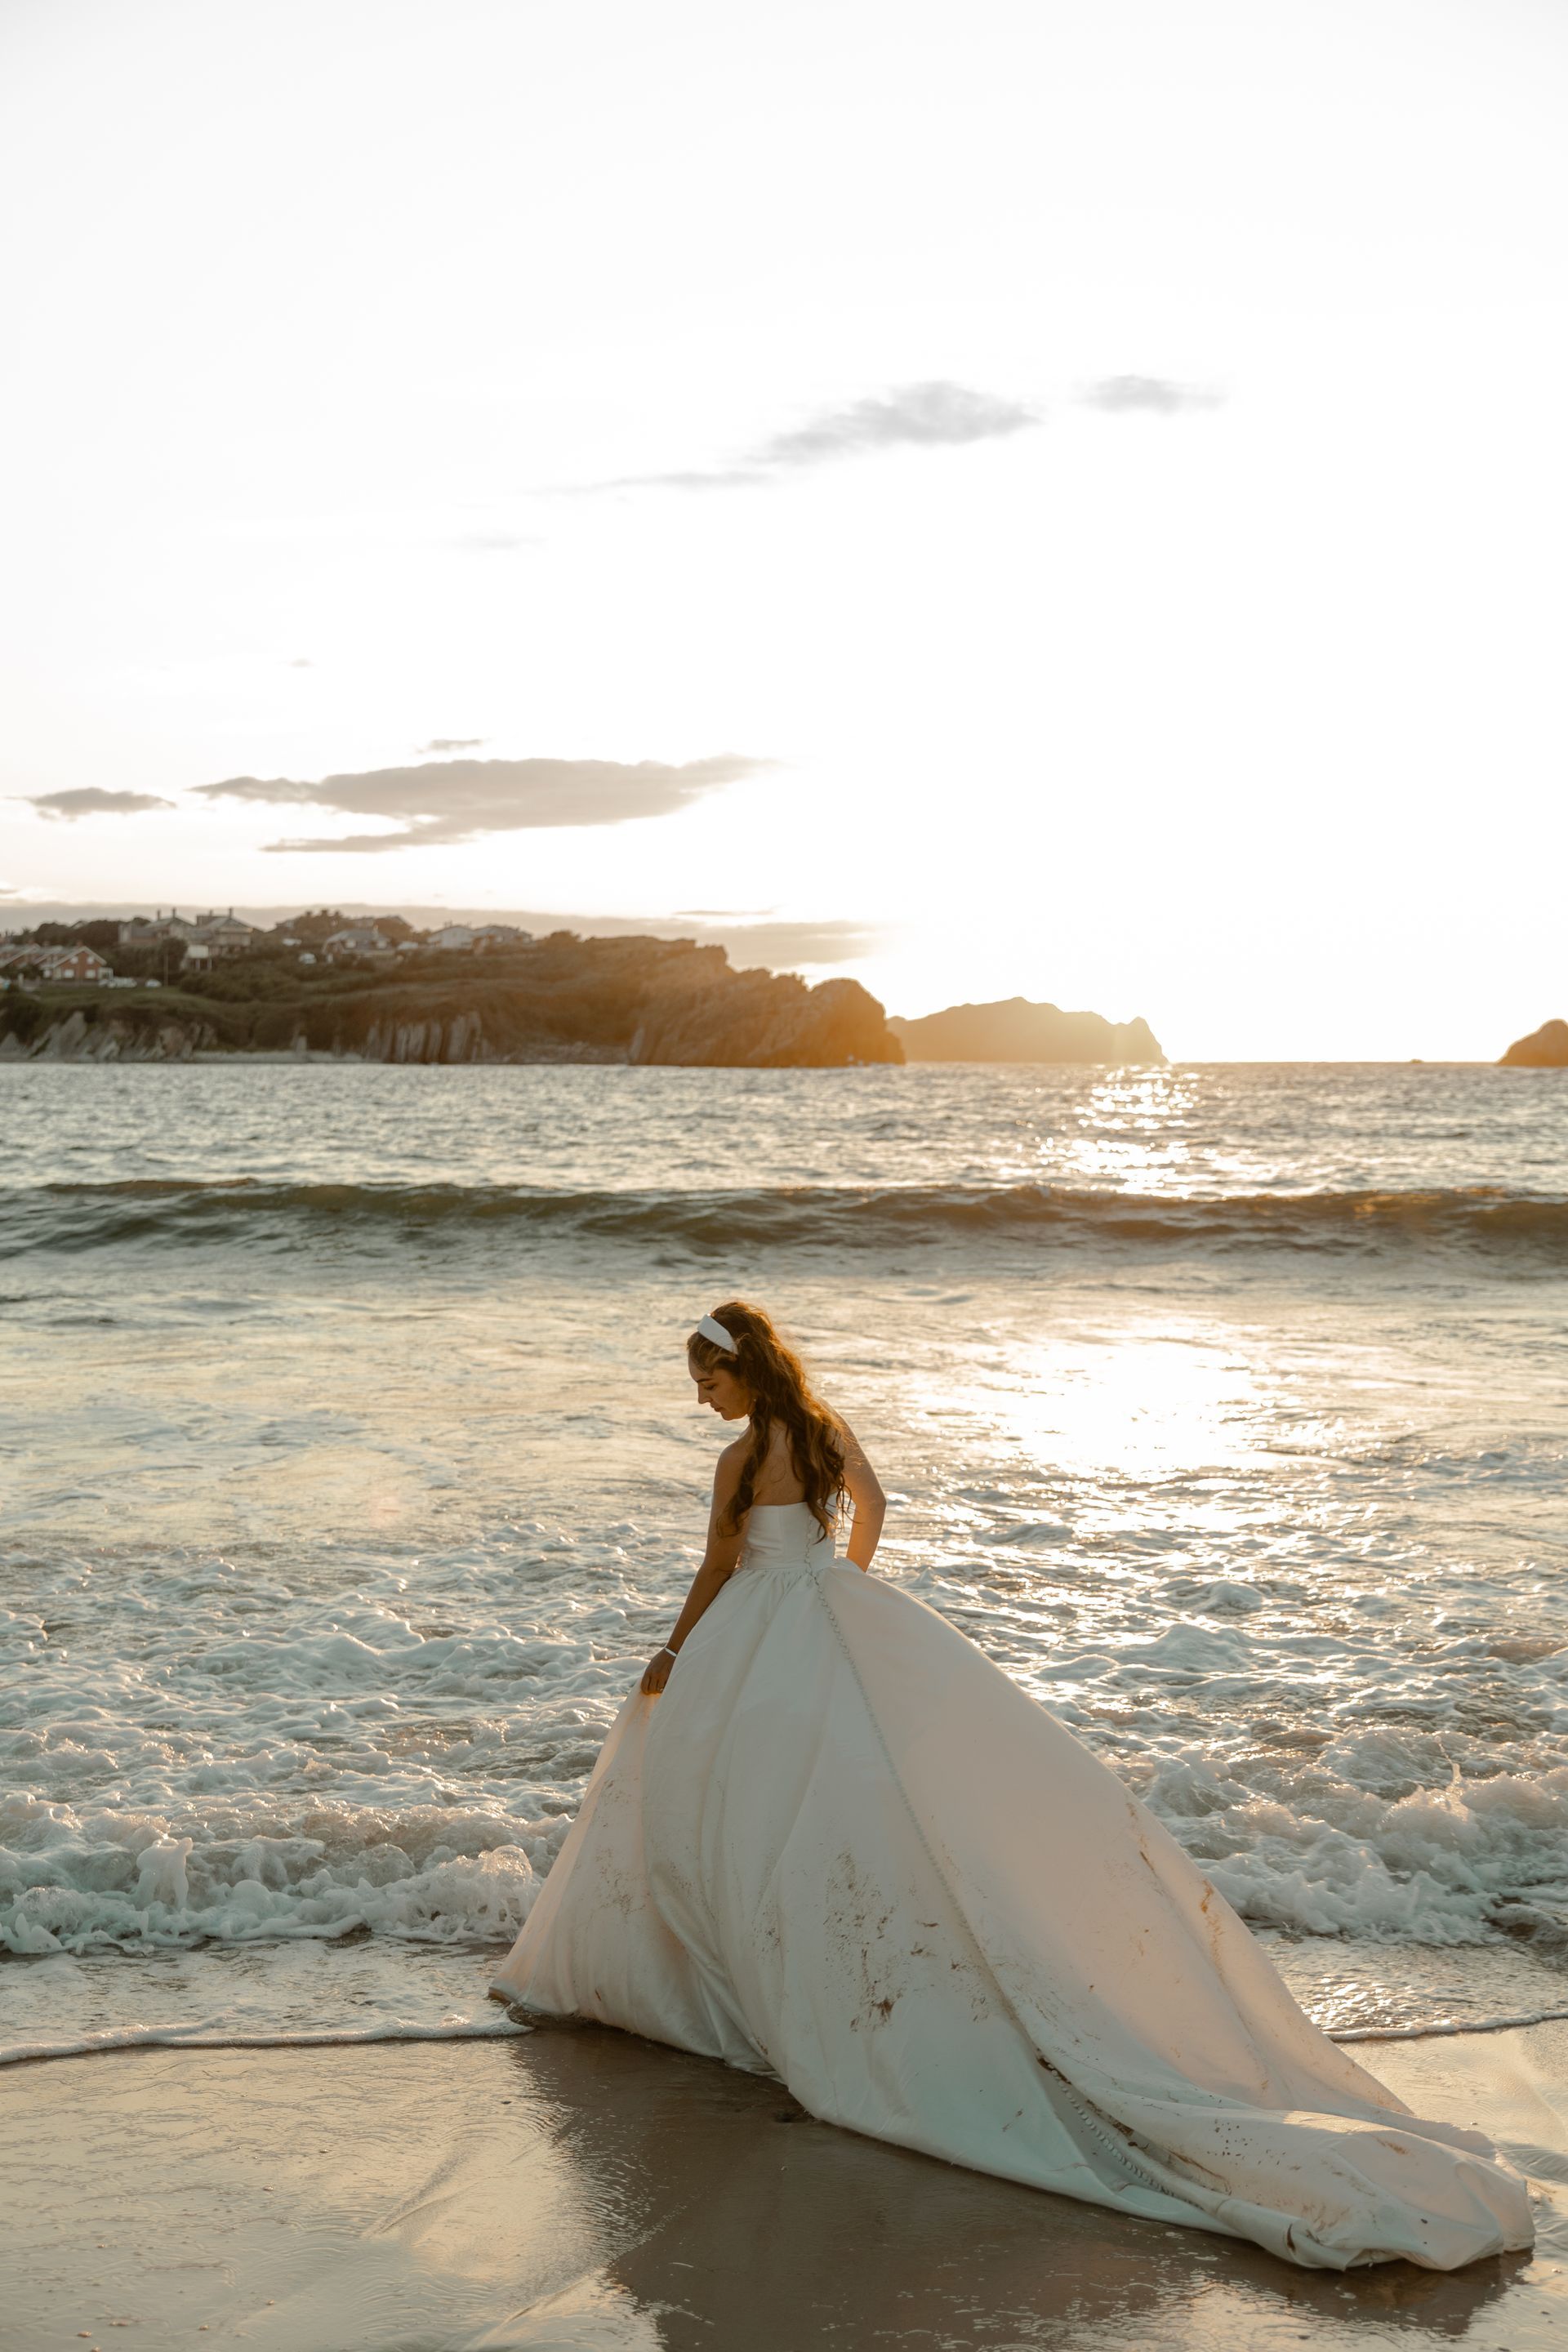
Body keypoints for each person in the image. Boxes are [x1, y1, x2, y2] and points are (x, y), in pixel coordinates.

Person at [491, 1302, 1532, 2272]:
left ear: (735, 1367)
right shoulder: (820, 1431)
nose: (700, 1397)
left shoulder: (735, 1457)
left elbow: (717, 1564)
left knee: (728, 1797)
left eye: (704, 1378)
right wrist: (845, 1578)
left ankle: (742, 1979)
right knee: (855, 1785)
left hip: (757, 1625)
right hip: (832, 1611)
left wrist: (674, 1649)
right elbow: (876, 1508)